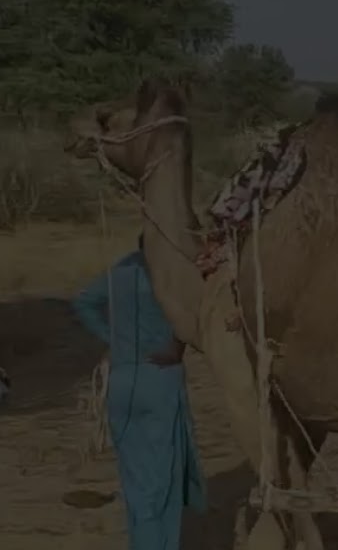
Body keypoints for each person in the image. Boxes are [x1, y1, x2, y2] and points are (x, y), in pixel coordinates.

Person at [70, 235, 207, 550]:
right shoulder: (170, 277)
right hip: (159, 377)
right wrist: (177, 345)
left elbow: (82, 302)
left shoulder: (120, 270)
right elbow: (194, 317)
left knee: (135, 477)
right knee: (163, 478)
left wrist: (114, 339)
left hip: (121, 379)